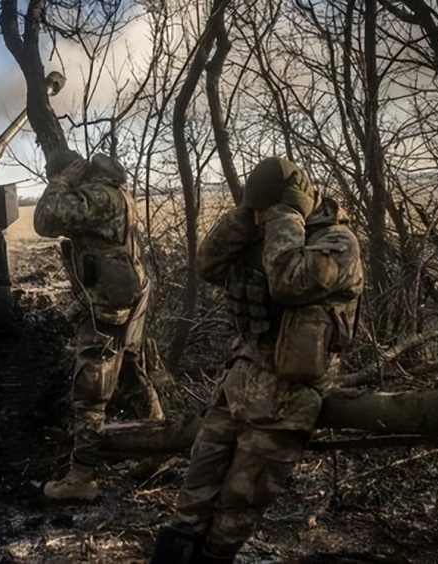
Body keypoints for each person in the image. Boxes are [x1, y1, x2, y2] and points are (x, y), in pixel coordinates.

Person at [149, 157, 364, 562]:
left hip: (287, 400)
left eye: (266, 209)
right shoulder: (263, 231)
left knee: (237, 507)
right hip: (239, 386)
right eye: (259, 211)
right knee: (192, 497)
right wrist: (246, 217)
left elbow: (287, 281)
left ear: (292, 205)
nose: (261, 217)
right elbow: (208, 263)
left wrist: (284, 216)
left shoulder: (338, 243)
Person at [35, 149, 164, 501]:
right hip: (125, 299)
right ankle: (158, 448)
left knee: (90, 389)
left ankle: (82, 477)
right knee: (134, 375)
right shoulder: (113, 191)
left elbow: (45, 221)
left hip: (109, 309)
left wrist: (61, 181)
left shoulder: (99, 197)